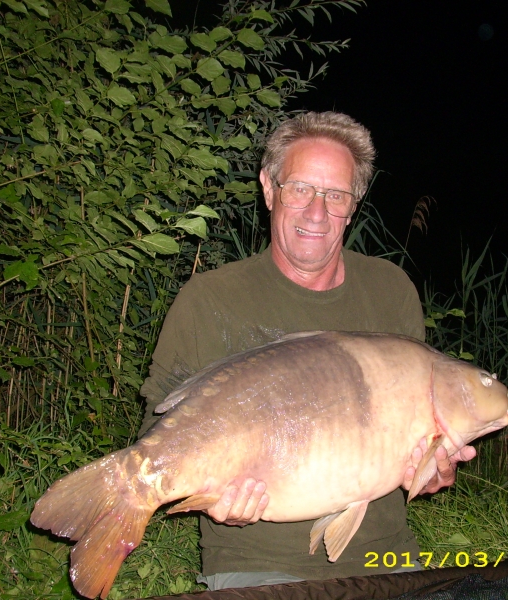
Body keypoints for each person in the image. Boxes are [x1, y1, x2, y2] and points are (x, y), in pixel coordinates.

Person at [139, 111, 475, 590]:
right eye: (299, 188)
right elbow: (156, 428)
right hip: (256, 562)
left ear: (354, 205)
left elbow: (410, 449)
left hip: (385, 556)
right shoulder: (209, 299)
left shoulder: (390, 290)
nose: (316, 212)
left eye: (335, 195)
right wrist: (210, 497)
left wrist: (433, 471)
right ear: (269, 188)